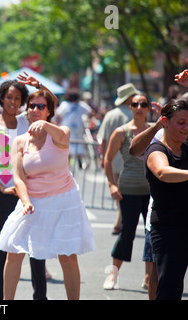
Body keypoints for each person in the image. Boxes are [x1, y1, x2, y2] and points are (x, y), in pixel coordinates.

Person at [0, 73, 96, 300]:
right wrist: (26, 201)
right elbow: (18, 177)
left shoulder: (61, 134)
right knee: (13, 252)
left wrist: (44, 116)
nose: (35, 109)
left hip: (63, 199)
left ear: (49, 111)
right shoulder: (19, 141)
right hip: (33, 200)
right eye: (32, 106)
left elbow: (60, 132)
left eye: (41, 106)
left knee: (67, 256)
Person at [0, 75, 48, 300]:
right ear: (1, 99)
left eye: (18, 98)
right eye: (9, 97)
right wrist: (1, 187)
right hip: (4, 194)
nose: (13, 102)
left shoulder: (28, 122)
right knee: (1, 246)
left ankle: (40, 296)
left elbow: (50, 103)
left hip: (32, 192)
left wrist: (38, 86)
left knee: (36, 246)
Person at [102, 93, 151, 290]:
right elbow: (107, 159)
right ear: (129, 107)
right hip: (128, 189)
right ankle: (113, 275)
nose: (139, 107)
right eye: (135, 104)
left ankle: (149, 277)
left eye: (143, 104)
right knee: (127, 233)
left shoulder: (156, 130)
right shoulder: (121, 132)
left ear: (148, 107)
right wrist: (112, 184)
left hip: (152, 191)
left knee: (152, 234)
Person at [144, 98, 188, 299]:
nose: (186, 127)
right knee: (170, 288)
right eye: (181, 122)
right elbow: (162, 172)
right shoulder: (157, 150)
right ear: (165, 121)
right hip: (169, 228)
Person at [97, 83, 138, 235]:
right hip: (130, 159)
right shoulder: (134, 114)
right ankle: (121, 220)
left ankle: (119, 220)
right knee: (127, 191)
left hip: (113, 158)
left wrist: (103, 157)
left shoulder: (110, 115)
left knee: (117, 190)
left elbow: (103, 138)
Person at [55, 88, 92, 168]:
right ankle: (75, 164)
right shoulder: (79, 104)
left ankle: (69, 165)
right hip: (74, 129)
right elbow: (90, 112)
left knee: (68, 149)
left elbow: (58, 114)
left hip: (68, 129)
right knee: (75, 148)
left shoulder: (66, 104)